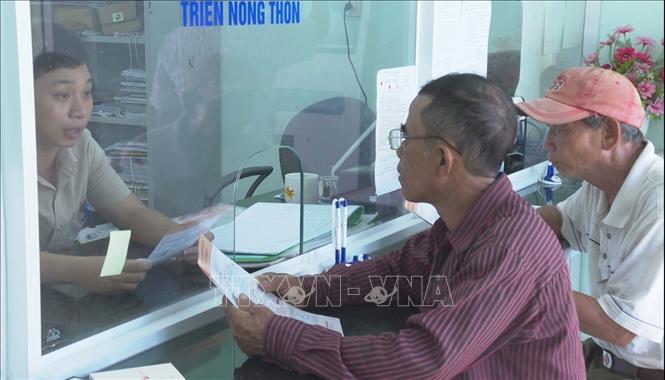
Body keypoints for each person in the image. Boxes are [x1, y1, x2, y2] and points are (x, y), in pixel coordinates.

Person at [222, 73, 586, 379]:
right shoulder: (470, 221)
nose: (397, 151)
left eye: (405, 137)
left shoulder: (510, 249)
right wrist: (302, 288)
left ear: (443, 160)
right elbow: (397, 272)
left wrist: (275, 335)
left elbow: (421, 360)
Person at [516, 66, 663, 380]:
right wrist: (490, 223)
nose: (547, 144)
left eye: (561, 130)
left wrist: (510, 283)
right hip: (601, 355)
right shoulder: (602, 183)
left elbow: (619, 327)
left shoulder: (658, 206)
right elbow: (560, 220)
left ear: (609, 133)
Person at [35, 52, 204, 295]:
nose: (80, 110)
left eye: (86, 93)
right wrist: (77, 271)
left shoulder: (83, 145)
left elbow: (131, 213)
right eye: (63, 95)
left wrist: (182, 239)